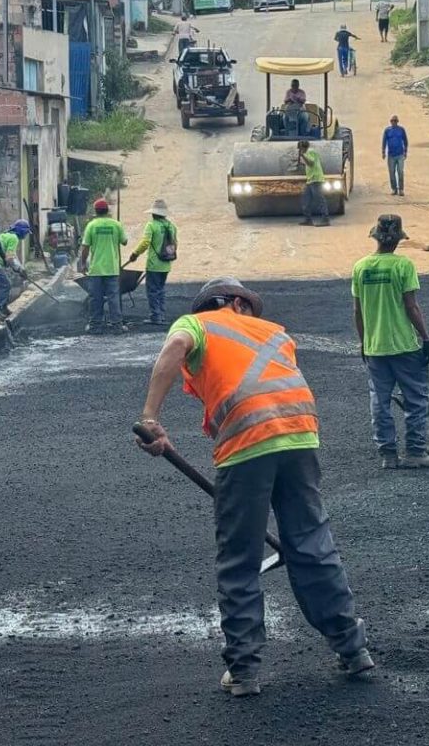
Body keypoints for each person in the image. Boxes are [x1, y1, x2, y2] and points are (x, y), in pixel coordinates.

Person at [134, 277, 374, 697]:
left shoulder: (196, 324)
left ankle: (244, 671)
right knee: (312, 546)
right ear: (240, 304)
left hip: (246, 447)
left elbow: (174, 350)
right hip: (300, 438)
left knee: (239, 558)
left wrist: (151, 418)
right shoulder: (276, 332)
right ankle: (353, 649)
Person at [353, 215, 429, 471]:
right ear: (399, 240)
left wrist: (364, 343)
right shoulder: (403, 266)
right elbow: (411, 306)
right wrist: (426, 338)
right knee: (416, 400)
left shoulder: (361, 267)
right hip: (404, 346)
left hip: (375, 348)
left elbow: (357, 312)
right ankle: (415, 452)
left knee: (380, 401)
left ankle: (388, 455)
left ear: (376, 237)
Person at [78, 197, 128, 334]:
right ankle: (117, 326)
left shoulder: (92, 225)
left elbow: (85, 247)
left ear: (96, 211)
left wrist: (83, 264)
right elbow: (125, 241)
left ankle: (95, 326)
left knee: (95, 298)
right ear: (107, 211)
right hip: (112, 268)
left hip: (96, 269)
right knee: (113, 297)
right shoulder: (116, 224)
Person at [127, 199, 178, 326]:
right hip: (166, 264)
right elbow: (175, 244)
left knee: (152, 291)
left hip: (154, 265)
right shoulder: (171, 226)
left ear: (154, 213)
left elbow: (145, 243)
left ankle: (155, 316)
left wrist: (135, 254)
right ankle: (161, 314)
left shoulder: (151, 225)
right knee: (160, 290)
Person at [296, 140, 330, 227]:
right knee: (306, 200)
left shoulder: (310, 151)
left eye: (300, 149)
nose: (300, 151)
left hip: (316, 179)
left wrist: (302, 155)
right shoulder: (308, 153)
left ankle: (325, 219)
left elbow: (311, 163)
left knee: (319, 199)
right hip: (310, 180)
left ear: (303, 147)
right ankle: (308, 219)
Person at [381, 114, 409, 197]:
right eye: (392, 121)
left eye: (395, 121)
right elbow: (384, 141)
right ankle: (394, 189)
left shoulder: (401, 130)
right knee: (392, 173)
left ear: (397, 122)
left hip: (400, 154)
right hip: (391, 155)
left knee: (400, 172)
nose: (394, 122)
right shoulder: (387, 130)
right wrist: (383, 152)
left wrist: (405, 151)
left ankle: (401, 189)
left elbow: (405, 141)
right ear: (390, 122)